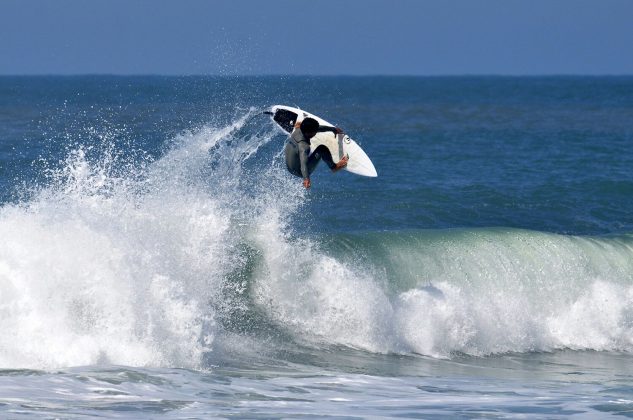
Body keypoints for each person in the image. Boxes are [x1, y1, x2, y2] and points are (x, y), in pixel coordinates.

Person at [284, 117, 349, 189]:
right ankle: (334, 167)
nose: (317, 131)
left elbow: (317, 128)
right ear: (309, 133)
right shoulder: (304, 146)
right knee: (322, 149)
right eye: (315, 131)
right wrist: (306, 179)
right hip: (299, 171)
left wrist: (332, 129)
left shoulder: (298, 129)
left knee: (300, 126)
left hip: (289, 167)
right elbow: (303, 164)